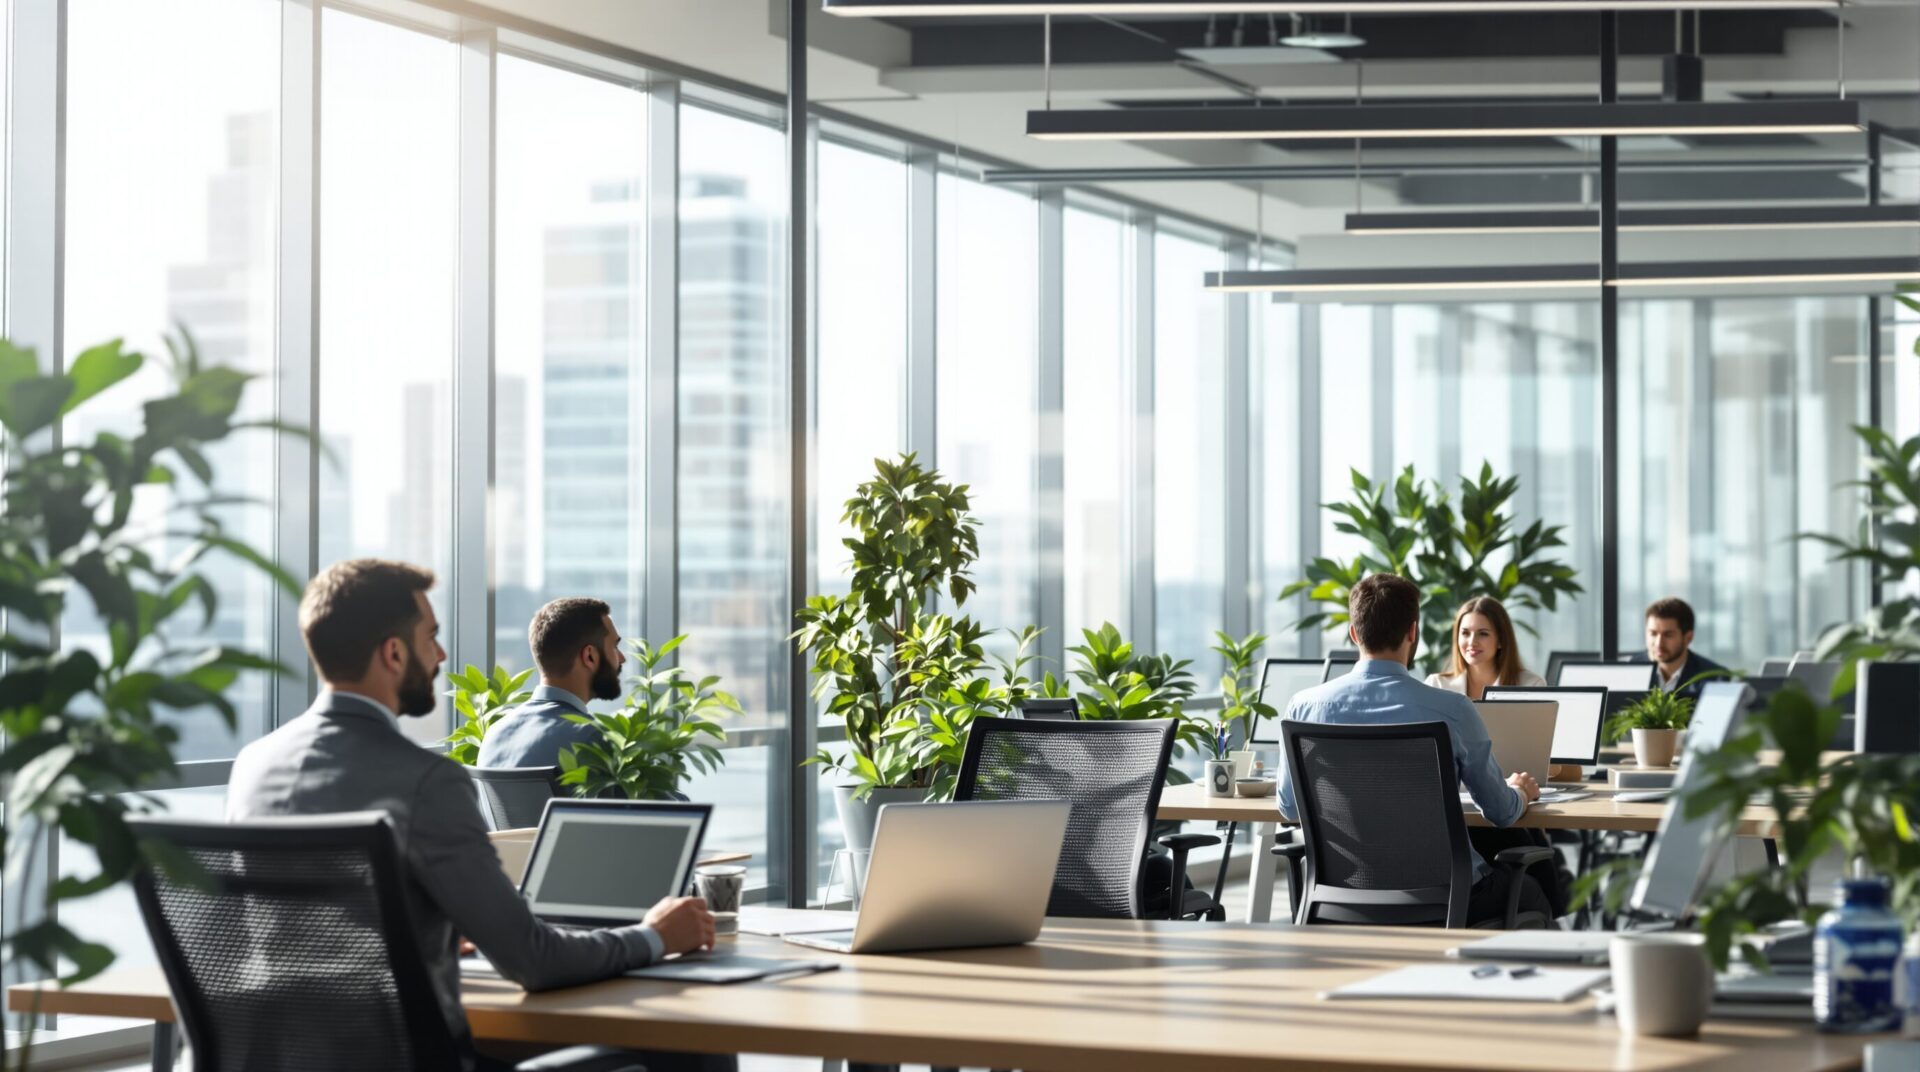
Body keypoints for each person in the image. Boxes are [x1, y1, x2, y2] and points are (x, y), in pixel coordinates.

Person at [227, 560, 718, 1070]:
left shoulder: (253, 766)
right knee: (693, 1048)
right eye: (431, 637)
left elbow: (298, 930)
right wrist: (656, 935)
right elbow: (534, 961)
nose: (441, 654)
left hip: (280, 1053)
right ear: (394, 654)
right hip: (406, 1058)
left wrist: (428, 931)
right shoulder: (426, 780)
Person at [1275, 573, 1553, 925]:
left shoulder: (1303, 707)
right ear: (1412, 632)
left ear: (1354, 634)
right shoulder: (1451, 709)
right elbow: (1500, 812)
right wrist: (1521, 793)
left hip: (1340, 898)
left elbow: (1287, 806)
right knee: (1535, 893)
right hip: (1450, 900)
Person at [478, 597, 625, 769]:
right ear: (590, 656)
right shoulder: (594, 739)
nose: (622, 658)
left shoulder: (494, 735)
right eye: (615, 647)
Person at [1423, 596, 1547, 700]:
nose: (1472, 642)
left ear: (1501, 640)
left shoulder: (1531, 686)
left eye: (1483, 634)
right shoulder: (1436, 686)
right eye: (1465, 633)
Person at [1643, 597, 1726, 698]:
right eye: (1653, 633)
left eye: (1668, 635)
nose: (1658, 643)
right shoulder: (1628, 670)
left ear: (1688, 638)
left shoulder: (1715, 678)